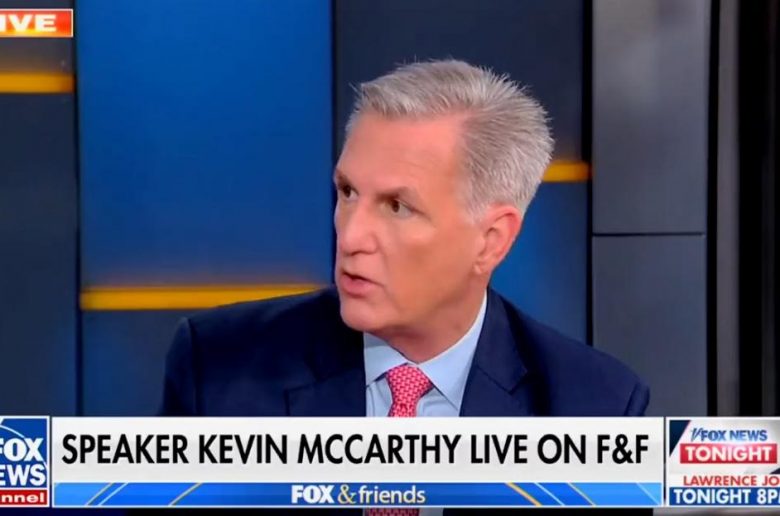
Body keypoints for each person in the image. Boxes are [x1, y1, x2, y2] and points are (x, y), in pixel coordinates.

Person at [160, 59, 649, 418]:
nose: (351, 236)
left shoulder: (596, 408)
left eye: (397, 206)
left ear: (491, 240)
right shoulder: (217, 372)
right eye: (347, 192)